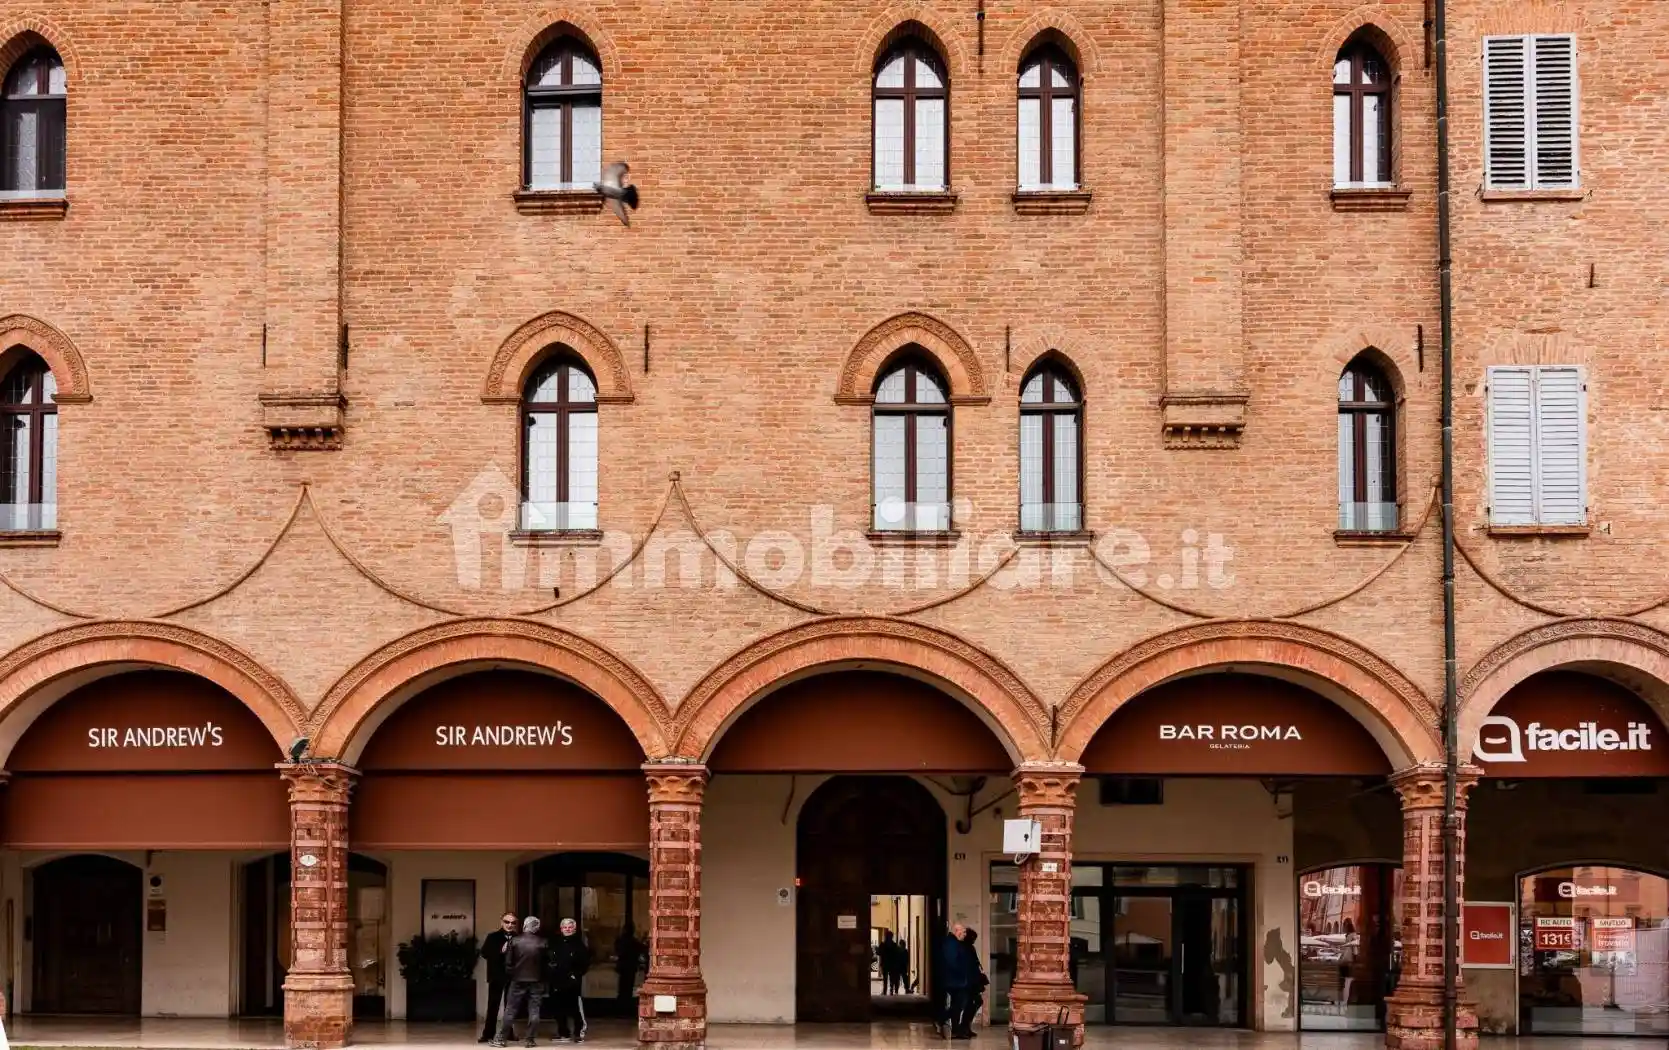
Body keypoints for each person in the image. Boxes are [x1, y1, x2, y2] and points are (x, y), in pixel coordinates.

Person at [490, 917, 548, 1048]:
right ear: (537, 928)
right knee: (534, 1010)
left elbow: (508, 963)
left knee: (510, 1010)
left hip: (517, 980)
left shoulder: (514, 941)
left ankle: (501, 1039)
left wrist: (513, 974)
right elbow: (546, 964)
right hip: (536, 981)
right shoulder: (543, 942)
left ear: (524, 926)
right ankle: (530, 1040)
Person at [550, 917, 593, 1043]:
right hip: (557, 982)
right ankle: (563, 1033)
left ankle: (578, 1033)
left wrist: (575, 975)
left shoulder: (579, 945)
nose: (567, 929)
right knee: (558, 1009)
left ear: (574, 929)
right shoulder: (555, 944)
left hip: (573, 984)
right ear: (561, 929)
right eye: (565, 927)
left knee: (575, 1010)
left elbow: (585, 964)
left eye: (570, 927)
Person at [479, 912, 518, 1043]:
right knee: (493, 1005)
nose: (510, 925)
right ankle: (488, 1034)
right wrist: (500, 951)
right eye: (507, 922)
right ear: (502, 922)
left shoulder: (518, 937)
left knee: (510, 1006)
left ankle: (509, 1033)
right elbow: (484, 953)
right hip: (496, 975)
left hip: (512, 976)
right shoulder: (493, 937)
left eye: (513, 923)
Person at [936, 923, 972, 1039]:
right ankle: (942, 1019)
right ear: (957, 931)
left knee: (956, 1004)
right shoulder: (951, 944)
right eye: (964, 932)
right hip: (954, 981)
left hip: (955, 980)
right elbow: (952, 962)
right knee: (960, 1004)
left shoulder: (954, 943)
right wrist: (962, 972)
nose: (965, 934)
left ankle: (956, 1030)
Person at [963, 928, 989, 1034]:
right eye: (973, 938)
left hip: (973, 980)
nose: (974, 940)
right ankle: (965, 1026)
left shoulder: (970, 948)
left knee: (974, 1002)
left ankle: (966, 1026)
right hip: (969, 981)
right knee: (972, 1003)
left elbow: (976, 963)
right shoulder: (965, 948)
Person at [614, 925, 643, 1009]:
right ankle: (626, 1002)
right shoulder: (634, 942)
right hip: (630, 967)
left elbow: (618, 950)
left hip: (624, 967)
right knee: (628, 986)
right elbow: (639, 950)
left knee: (623, 985)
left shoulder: (621, 941)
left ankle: (621, 1003)